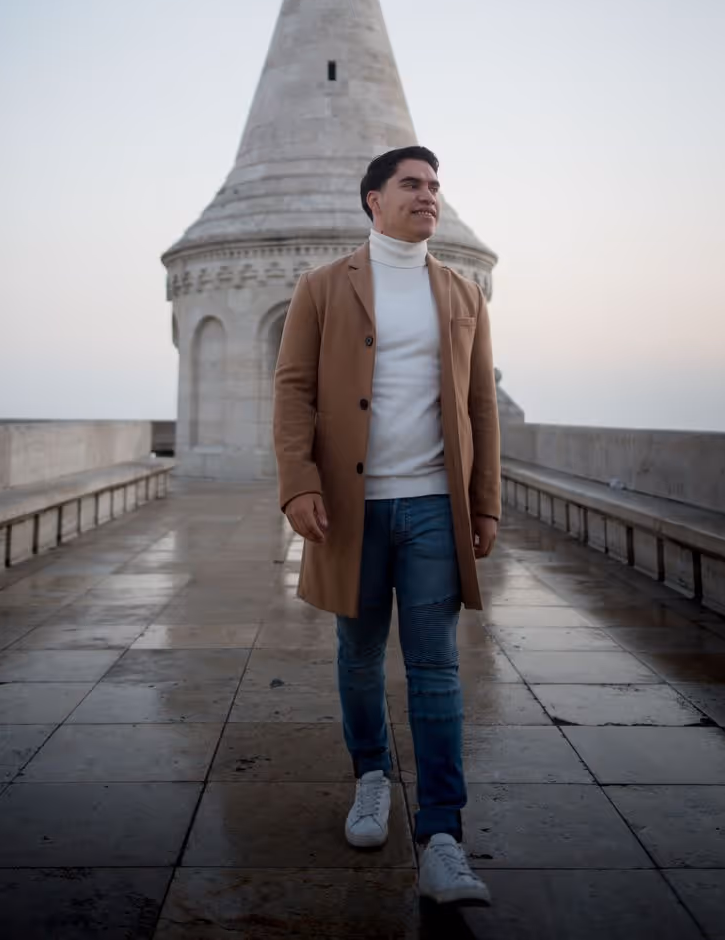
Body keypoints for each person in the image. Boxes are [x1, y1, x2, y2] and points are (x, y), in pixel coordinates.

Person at [273, 145, 501, 906]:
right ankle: (371, 778)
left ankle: (442, 835)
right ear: (374, 199)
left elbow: (480, 408)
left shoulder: (463, 293)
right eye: (412, 184)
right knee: (359, 653)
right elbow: (294, 391)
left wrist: (485, 502)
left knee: (436, 666)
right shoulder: (320, 288)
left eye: (436, 185)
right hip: (352, 508)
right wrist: (298, 483)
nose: (428, 195)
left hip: (436, 507)